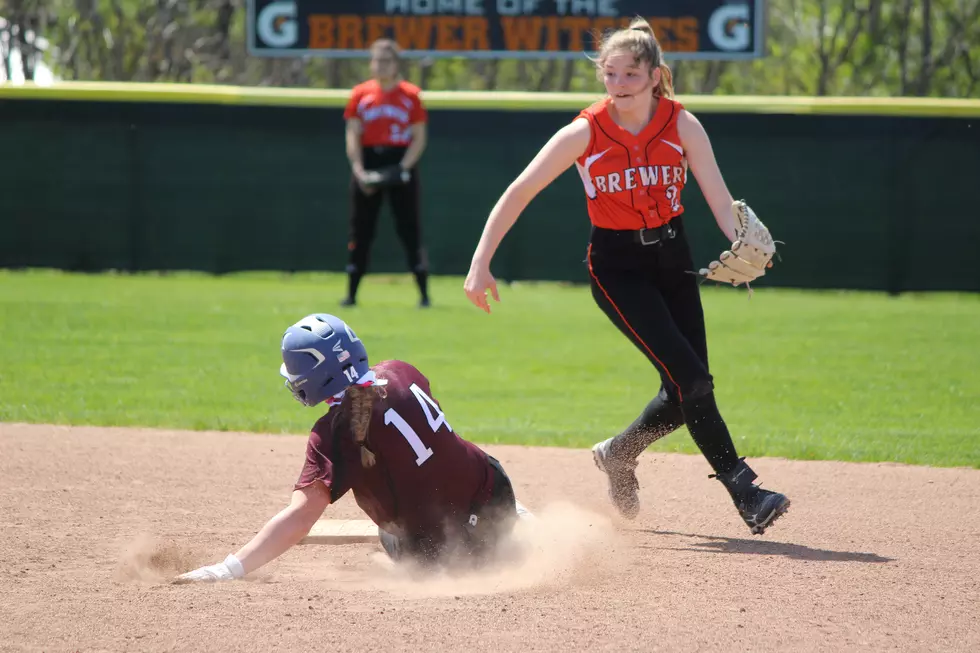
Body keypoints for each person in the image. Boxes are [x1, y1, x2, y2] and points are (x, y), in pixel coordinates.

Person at [462, 18, 790, 536]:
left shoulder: (683, 125)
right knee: (694, 381)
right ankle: (745, 490)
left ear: (655, 75)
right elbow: (519, 191)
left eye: (630, 74)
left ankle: (619, 454)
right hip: (617, 269)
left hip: (673, 259)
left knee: (686, 390)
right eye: (610, 73)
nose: (618, 84)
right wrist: (481, 263)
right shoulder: (586, 131)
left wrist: (744, 239)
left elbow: (721, 202)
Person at [174, 313, 528, 583]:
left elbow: (300, 518)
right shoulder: (401, 370)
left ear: (314, 377)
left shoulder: (334, 432)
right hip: (498, 490)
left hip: (452, 550)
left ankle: (488, 545)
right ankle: (518, 519)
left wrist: (228, 569)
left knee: (389, 533)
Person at [341, 38, 431, 308]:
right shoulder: (360, 94)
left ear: (396, 65)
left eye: (386, 61)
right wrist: (358, 170)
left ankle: (424, 295)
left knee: (409, 229)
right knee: (361, 231)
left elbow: (419, 137)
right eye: (377, 60)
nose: (380, 66)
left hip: (400, 161)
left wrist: (401, 168)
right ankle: (351, 294)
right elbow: (353, 134)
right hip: (369, 160)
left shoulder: (410, 95)